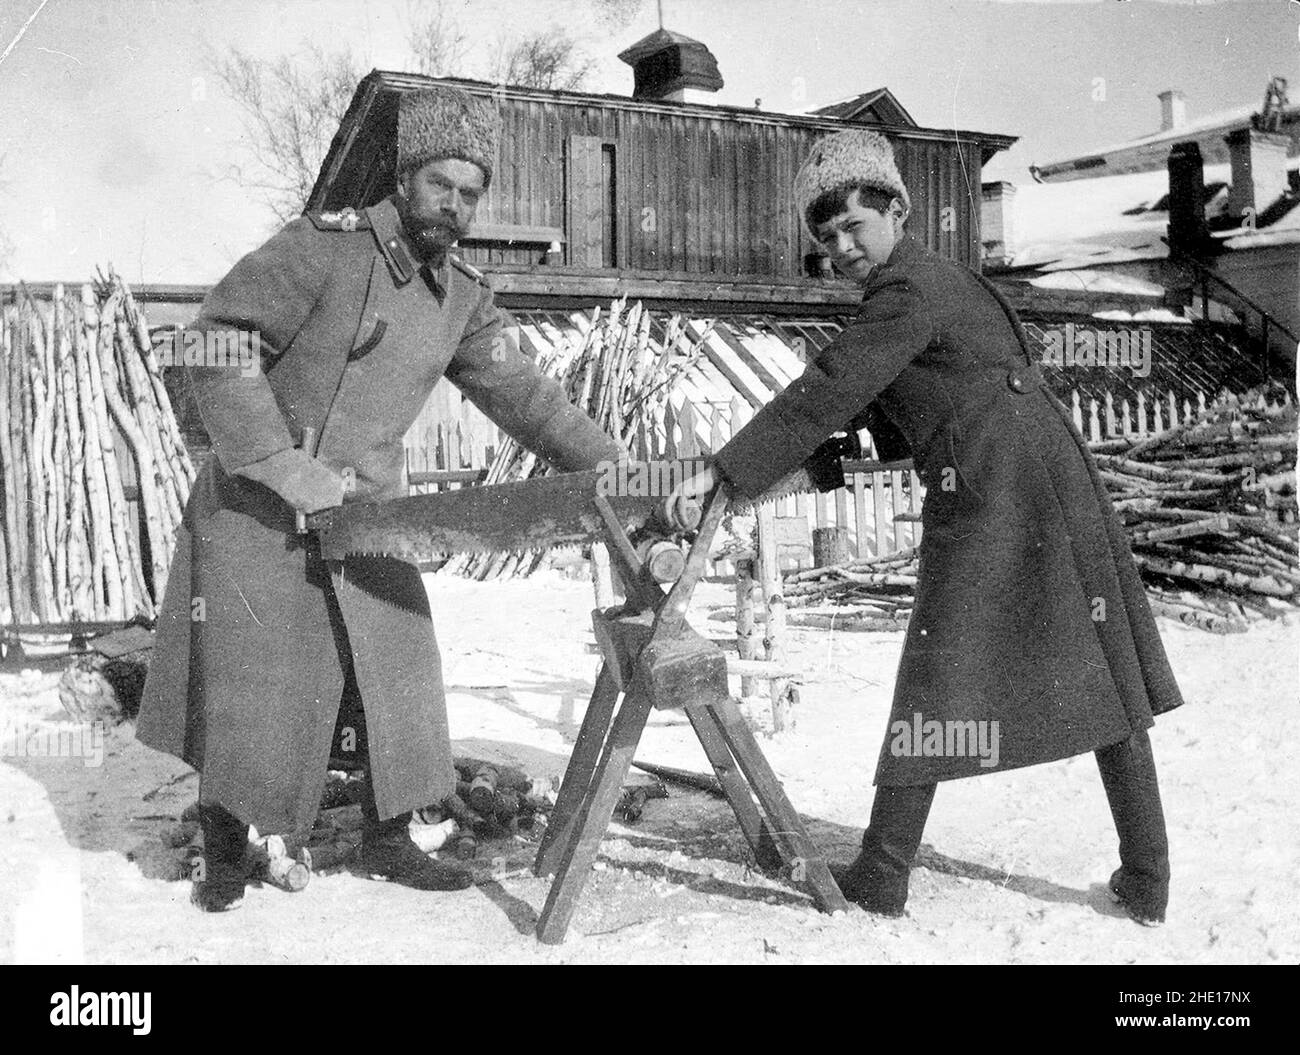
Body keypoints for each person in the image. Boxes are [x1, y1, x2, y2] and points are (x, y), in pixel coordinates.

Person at [672, 129, 1181, 926]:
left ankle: (883, 872)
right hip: (1034, 480)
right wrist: (794, 473)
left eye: (854, 228)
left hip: (1001, 492)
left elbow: (832, 386)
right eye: (827, 237)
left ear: (897, 211)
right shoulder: (933, 283)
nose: (843, 247)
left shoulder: (902, 293)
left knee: (942, 667)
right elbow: (895, 411)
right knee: (1099, 667)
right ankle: (1145, 875)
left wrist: (730, 469)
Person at [137, 86, 624, 911]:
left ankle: (390, 835)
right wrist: (279, 460)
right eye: (443, 185)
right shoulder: (322, 249)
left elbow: (530, 399)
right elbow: (215, 340)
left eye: (472, 193)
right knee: (251, 681)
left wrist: (623, 472)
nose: (456, 206)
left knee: (394, 663)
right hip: (260, 505)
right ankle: (224, 847)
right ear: (405, 178)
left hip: (367, 514)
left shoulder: (462, 298)